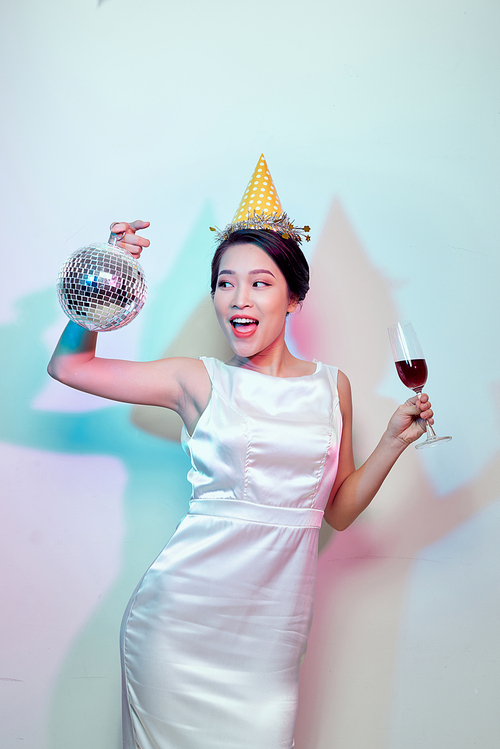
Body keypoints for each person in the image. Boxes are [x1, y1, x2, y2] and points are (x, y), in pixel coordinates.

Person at [48, 156, 434, 749]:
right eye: (225, 282)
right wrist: (112, 270)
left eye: (259, 282)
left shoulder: (333, 387)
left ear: (293, 298)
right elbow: (69, 366)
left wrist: (392, 443)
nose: (237, 297)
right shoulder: (198, 380)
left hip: (271, 636)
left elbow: (336, 510)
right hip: (179, 626)